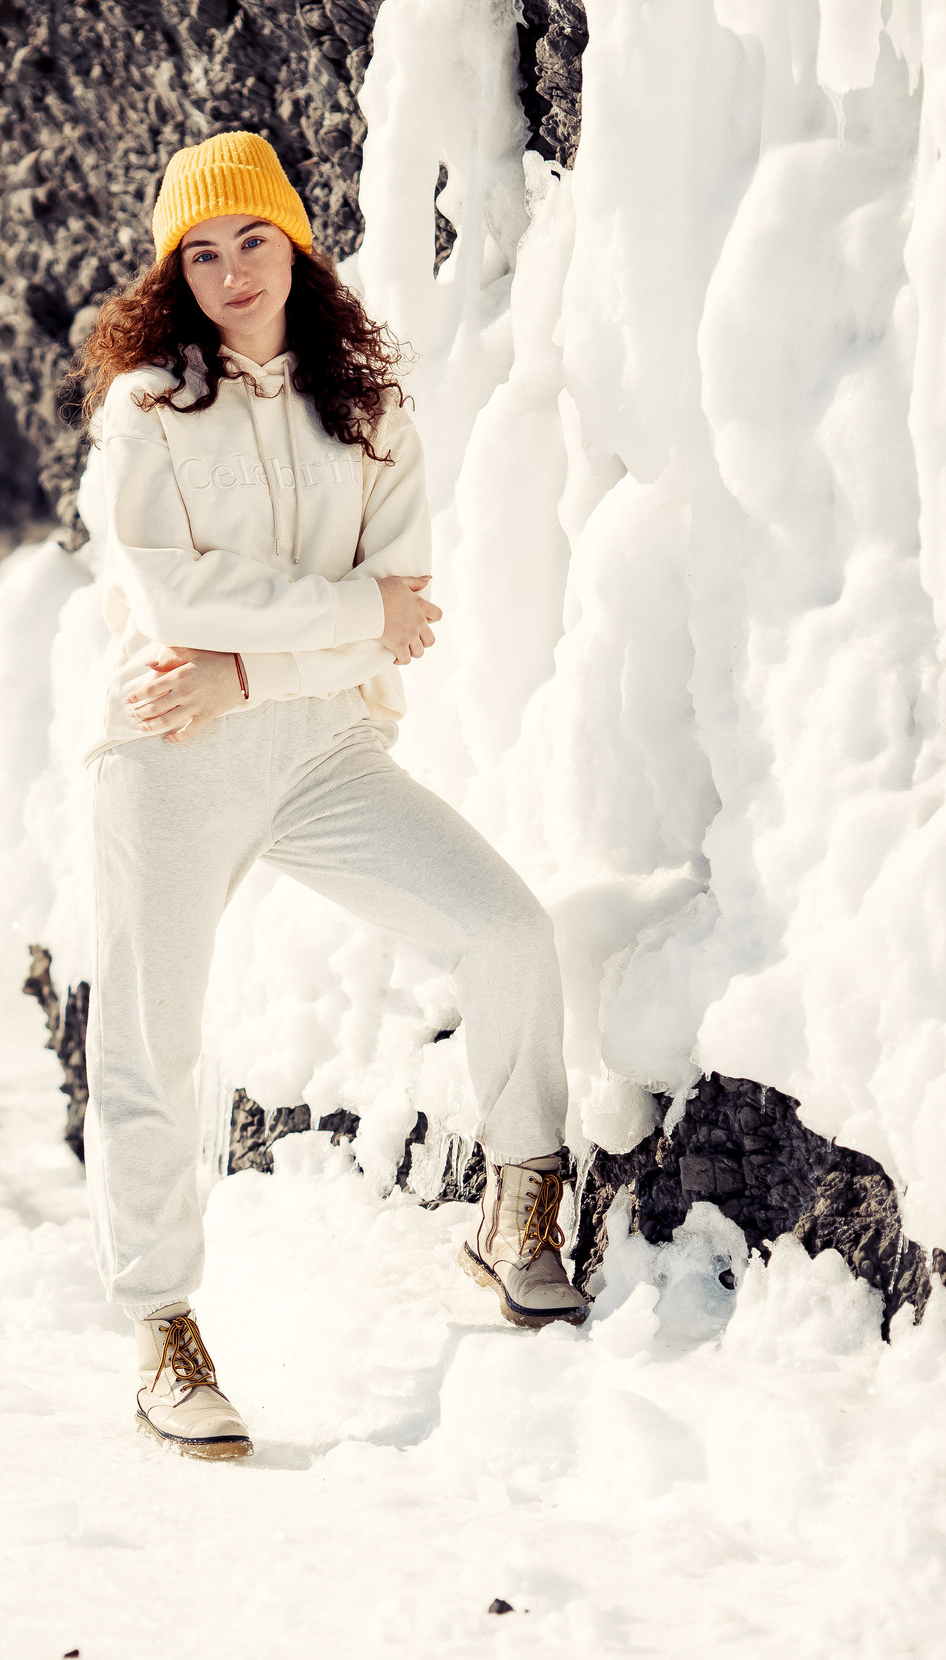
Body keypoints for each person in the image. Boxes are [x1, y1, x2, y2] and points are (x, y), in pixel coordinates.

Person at [70, 132, 579, 1462]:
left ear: (297, 246)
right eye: (202, 252)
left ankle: (520, 1200)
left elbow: (403, 614)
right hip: (169, 749)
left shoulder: (369, 405)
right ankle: (162, 1331)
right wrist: (332, 622)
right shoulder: (146, 410)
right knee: (150, 1049)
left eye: (255, 239)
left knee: (506, 933)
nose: (233, 271)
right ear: (174, 275)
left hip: (324, 750)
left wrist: (250, 665)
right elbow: (171, 593)